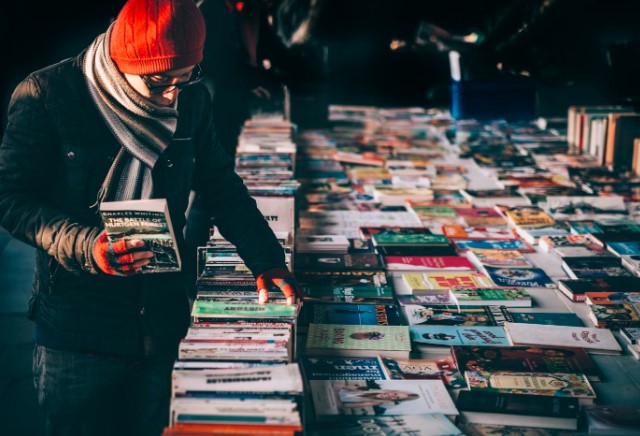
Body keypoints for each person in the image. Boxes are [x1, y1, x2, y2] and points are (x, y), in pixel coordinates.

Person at [0, 0, 301, 434]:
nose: (172, 96)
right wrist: (89, 245)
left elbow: (219, 183)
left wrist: (266, 259)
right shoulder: (47, 95)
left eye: (185, 78)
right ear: (125, 63)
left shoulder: (192, 99)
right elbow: (12, 197)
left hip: (161, 320)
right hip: (78, 328)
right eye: (159, 83)